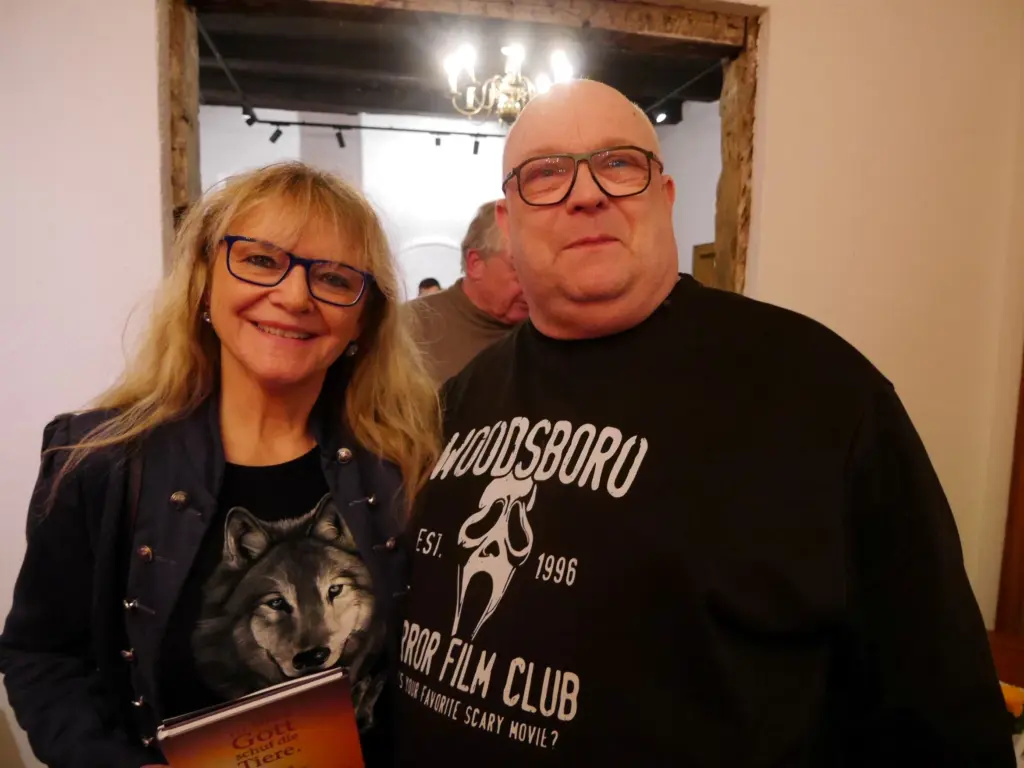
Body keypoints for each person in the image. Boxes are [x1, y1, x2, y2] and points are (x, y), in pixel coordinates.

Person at [393, 81, 1014, 766]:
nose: (586, 193)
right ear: (507, 225)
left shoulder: (819, 395)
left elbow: (943, 714)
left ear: (665, 197)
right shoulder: (460, 398)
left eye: (619, 164)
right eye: (545, 173)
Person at [0, 162, 440, 768]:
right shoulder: (99, 461)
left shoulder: (407, 464)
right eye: (260, 260)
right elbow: (43, 656)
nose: (294, 296)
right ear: (206, 283)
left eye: (335, 278)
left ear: (363, 320)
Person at [408, 201, 528, 384]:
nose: (533, 284)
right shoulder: (408, 327)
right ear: (475, 264)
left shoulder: (553, 330)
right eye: (519, 268)